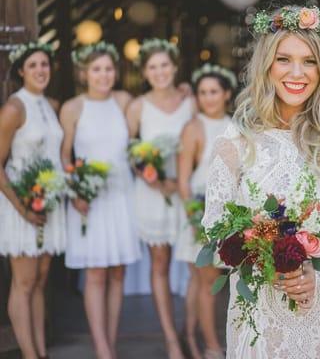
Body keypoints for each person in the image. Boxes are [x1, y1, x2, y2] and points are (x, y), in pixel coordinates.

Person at [201, 6, 320, 358]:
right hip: (260, 308)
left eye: (310, 61)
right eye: (284, 59)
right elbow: (214, 226)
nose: (297, 73)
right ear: (266, 65)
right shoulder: (236, 139)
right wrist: (263, 259)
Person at [60, 42, 141, 359]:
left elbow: (148, 120)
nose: (103, 75)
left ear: (116, 72)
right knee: (95, 273)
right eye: (96, 69)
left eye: (109, 69)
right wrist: (75, 190)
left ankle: (111, 341)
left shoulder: (125, 101)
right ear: (84, 73)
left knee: (118, 271)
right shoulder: (72, 107)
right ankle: (102, 349)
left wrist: (186, 94)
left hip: (121, 194)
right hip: (89, 198)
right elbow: (65, 155)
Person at [126, 38, 196, 359]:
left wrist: (180, 179)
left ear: (174, 67)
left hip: (186, 192)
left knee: (197, 264)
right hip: (153, 194)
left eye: (164, 65)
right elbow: (130, 152)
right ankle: (170, 338)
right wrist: (151, 176)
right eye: (152, 67)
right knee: (160, 263)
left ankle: (191, 332)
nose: (160, 72)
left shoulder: (189, 101)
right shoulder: (138, 107)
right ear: (144, 72)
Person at [0, 42, 66, 359]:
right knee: (24, 282)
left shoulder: (49, 104)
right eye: (34, 65)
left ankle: (41, 351)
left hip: (47, 203)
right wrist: (22, 207)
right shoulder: (15, 107)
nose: (41, 70)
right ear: (21, 71)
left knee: (40, 280)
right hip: (21, 204)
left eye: (45, 64)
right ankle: (29, 354)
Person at [175, 64, 234, 359]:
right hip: (201, 215)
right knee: (207, 282)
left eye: (214, 92)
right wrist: (195, 218)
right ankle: (211, 347)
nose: (208, 98)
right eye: (202, 93)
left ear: (226, 94)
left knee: (225, 283)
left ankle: (195, 338)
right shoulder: (194, 128)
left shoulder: (238, 125)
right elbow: (184, 180)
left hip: (232, 216)